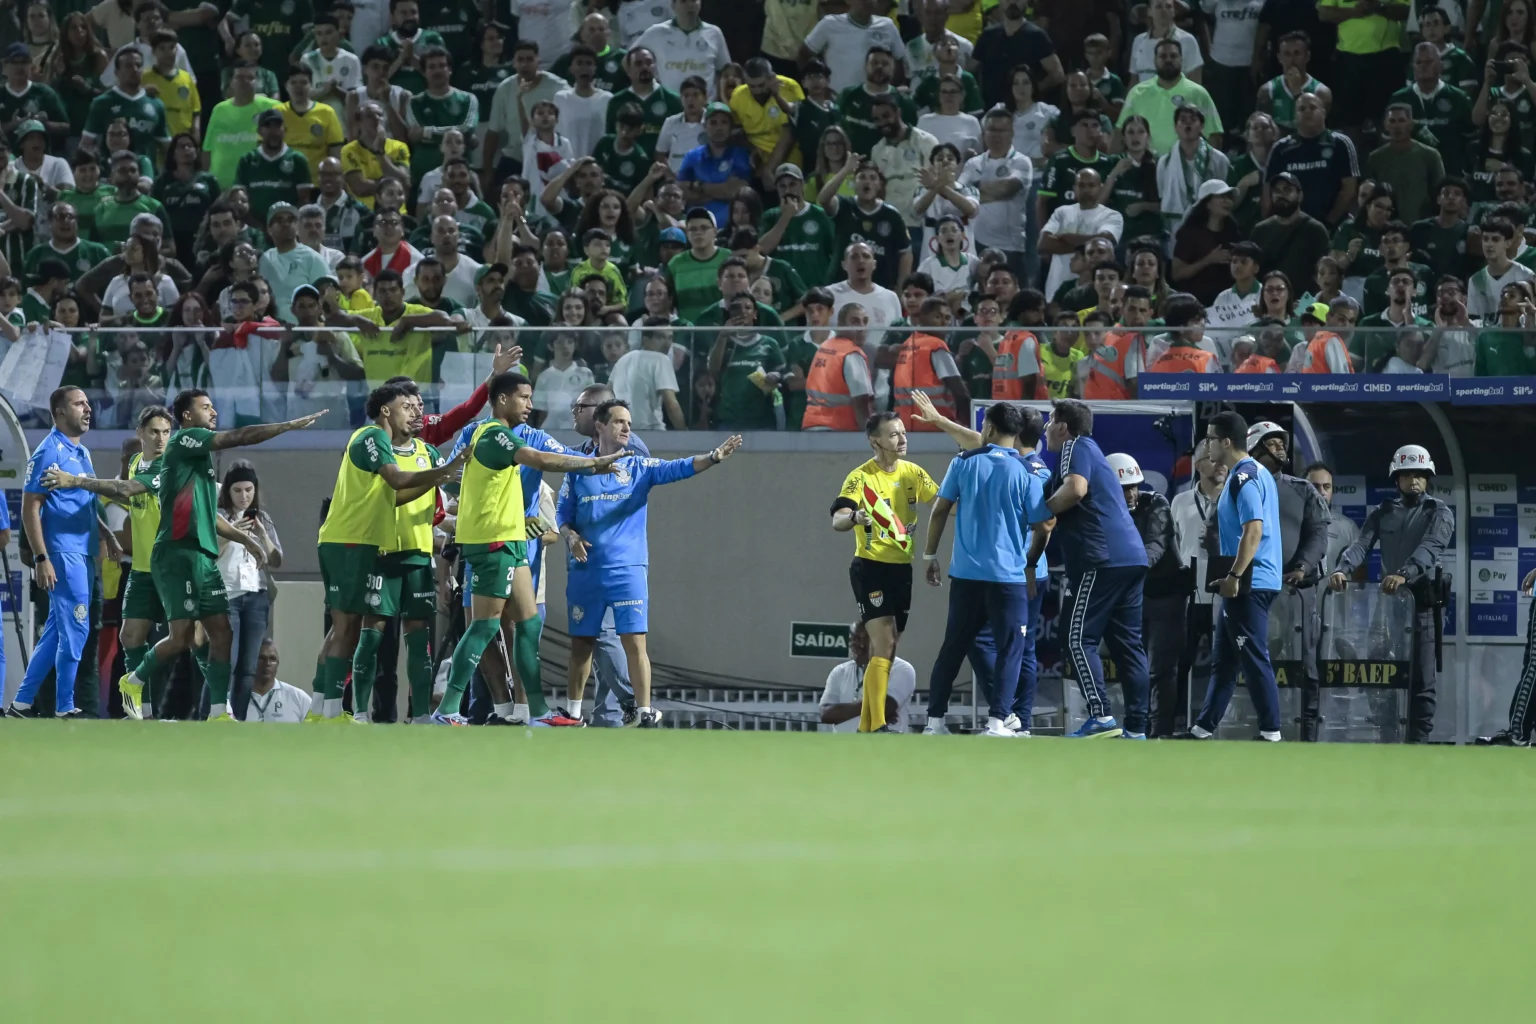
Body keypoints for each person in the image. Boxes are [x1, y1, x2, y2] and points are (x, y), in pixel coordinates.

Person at [44, 389, 317, 722]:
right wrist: (80, 487)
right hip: (161, 560)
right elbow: (127, 492)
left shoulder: (182, 455)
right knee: (146, 637)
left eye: (164, 431)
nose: (161, 438)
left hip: (193, 555)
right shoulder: (174, 448)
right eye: (206, 407)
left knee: (214, 633)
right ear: (142, 433)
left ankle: (217, 711)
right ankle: (138, 705)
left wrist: (246, 538)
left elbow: (205, 513)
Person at [434, 373, 625, 725]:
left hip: (511, 542)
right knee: (484, 628)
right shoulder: (492, 434)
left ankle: (537, 710)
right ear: (502, 400)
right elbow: (543, 460)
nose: (529, 404)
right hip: (494, 541)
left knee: (528, 623)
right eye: (523, 397)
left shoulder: (490, 435)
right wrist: (593, 463)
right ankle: (447, 709)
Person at [558, 400, 740, 726]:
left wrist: (713, 457)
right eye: (619, 422)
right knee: (582, 644)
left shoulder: (640, 467)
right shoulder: (578, 469)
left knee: (634, 642)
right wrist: (571, 538)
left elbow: (679, 467)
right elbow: (563, 517)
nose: (627, 428)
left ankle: (643, 712)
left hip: (628, 569)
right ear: (599, 426)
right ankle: (572, 713)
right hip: (585, 571)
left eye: (629, 422)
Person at [921, 402, 1053, 738]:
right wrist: (1030, 563)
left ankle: (934, 721)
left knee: (953, 645)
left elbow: (939, 510)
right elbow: (1044, 526)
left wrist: (929, 555)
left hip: (966, 575)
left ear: (990, 428)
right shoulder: (1026, 472)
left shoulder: (963, 463)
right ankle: (997, 722)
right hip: (1008, 578)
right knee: (1011, 648)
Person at [1036, 399, 1150, 739]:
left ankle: (1100, 716)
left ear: (1063, 426)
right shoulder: (1092, 451)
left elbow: (1075, 489)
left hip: (1101, 559)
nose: (1045, 428)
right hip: (1131, 557)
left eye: (1049, 420)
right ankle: (1137, 729)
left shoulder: (1075, 445)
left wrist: (1041, 514)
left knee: (1075, 639)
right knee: (1128, 646)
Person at [1328, 445, 1453, 744]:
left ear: (1428, 478)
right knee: (1380, 676)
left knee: (1422, 682)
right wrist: (1343, 568)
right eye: (1407, 474)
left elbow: (1431, 547)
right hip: (1385, 609)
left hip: (1422, 606)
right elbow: (1360, 545)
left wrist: (1405, 574)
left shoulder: (1439, 511)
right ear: (1396, 478)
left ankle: (1417, 744)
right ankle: (1385, 736)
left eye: (1420, 475)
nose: (1414, 481)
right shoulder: (1383, 511)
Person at [828, 411, 938, 732]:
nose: (902, 439)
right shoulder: (860, 477)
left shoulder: (913, 473)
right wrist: (854, 519)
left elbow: (945, 502)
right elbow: (838, 519)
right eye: (893, 435)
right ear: (874, 441)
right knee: (885, 642)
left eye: (903, 433)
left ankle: (865, 724)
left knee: (889, 648)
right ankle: (876, 723)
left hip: (902, 568)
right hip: (870, 567)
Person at [6, 389, 103, 718]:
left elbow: (86, 502)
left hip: (84, 551)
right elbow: (30, 506)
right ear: (59, 413)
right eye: (79, 404)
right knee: (76, 627)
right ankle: (64, 706)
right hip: (62, 552)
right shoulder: (48, 451)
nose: (87, 409)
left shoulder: (83, 453)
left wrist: (107, 537)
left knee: (55, 632)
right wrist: (41, 557)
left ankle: (21, 703)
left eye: (88, 403)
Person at [1189, 410, 1284, 742]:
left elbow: (1253, 531)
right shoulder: (1252, 473)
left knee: (1253, 657)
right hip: (1252, 578)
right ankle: (1203, 728)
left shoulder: (1244, 477)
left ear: (1226, 442)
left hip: (1250, 581)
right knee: (1226, 660)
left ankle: (1271, 731)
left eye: (1211, 439)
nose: (1208, 445)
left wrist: (1234, 576)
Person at [1245, 422, 1331, 741]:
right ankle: (1263, 729)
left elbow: (1320, 534)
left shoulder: (1302, 488)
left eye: (1282, 442)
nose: (1280, 447)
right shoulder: (1242, 485)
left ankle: (1306, 737)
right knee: (1256, 661)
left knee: (1305, 666)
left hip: (1298, 591)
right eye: (1272, 442)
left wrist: (1303, 567)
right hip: (1254, 591)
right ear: (1255, 447)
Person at [1108, 452, 1186, 742]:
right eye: (1124, 488)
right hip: (1130, 596)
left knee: (1162, 668)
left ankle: (1159, 732)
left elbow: (1155, 545)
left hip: (1165, 594)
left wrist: (1129, 569)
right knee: (1132, 664)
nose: (1131, 493)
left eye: (1134, 486)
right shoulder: (1104, 509)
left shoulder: (1156, 503)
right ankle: (1134, 726)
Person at [213, 460, 282, 719]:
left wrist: (262, 535)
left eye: (249, 490)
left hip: (256, 596)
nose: (244, 496)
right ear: (228, 491)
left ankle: (237, 720)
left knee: (248, 669)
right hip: (227, 595)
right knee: (224, 664)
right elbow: (208, 556)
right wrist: (230, 535)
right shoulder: (218, 517)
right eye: (238, 491)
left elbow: (276, 560)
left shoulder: (262, 518)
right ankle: (211, 715)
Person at [1167, 439, 1226, 737]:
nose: (1220, 465)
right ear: (1199, 464)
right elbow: (1172, 546)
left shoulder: (1236, 498)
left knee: (1224, 665)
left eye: (1222, 459)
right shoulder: (1180, 502)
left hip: (1223, 593)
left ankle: (1217, 723)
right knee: (1179, 664)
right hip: (1189, 597)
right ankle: (1171, 723)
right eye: (1212, 459)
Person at [1263, 93, 1359, 230]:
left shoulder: (1340, 143)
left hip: (1333, 226)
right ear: (1295, 116)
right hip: (1290, 226)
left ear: (1324, 113)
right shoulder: (1281, 148)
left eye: (1313, 107)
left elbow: (1349, 189)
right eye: (1301, 109)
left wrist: (1329, 222)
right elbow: (1268, 189)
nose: (1307, 111)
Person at [1117, 37, 1223, 157]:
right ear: (1154, 61)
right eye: (1163, 56)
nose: (1168, 60)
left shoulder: (1198, 93)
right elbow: (1120, 131)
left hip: (1186, 165)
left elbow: (1214, 134)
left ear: (1181, 60)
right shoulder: (1137, 92)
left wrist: (1208, 165)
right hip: (1146, 165)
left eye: (1173, 56)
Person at [818, 619, 916, 733]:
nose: (854, 644)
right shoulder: (839, 672)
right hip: (844, 748)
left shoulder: (901, 669)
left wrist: (843, 711)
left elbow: (886, 707)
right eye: (852, 639)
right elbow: (825, 714)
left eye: (861, 639)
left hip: (885, 747)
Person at [242, 639, 312, 722]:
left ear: (277, 663)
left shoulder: (299, 698)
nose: (267, 663)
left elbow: (316, 731)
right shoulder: (233, 699)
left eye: (272, 659)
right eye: (261, 658)